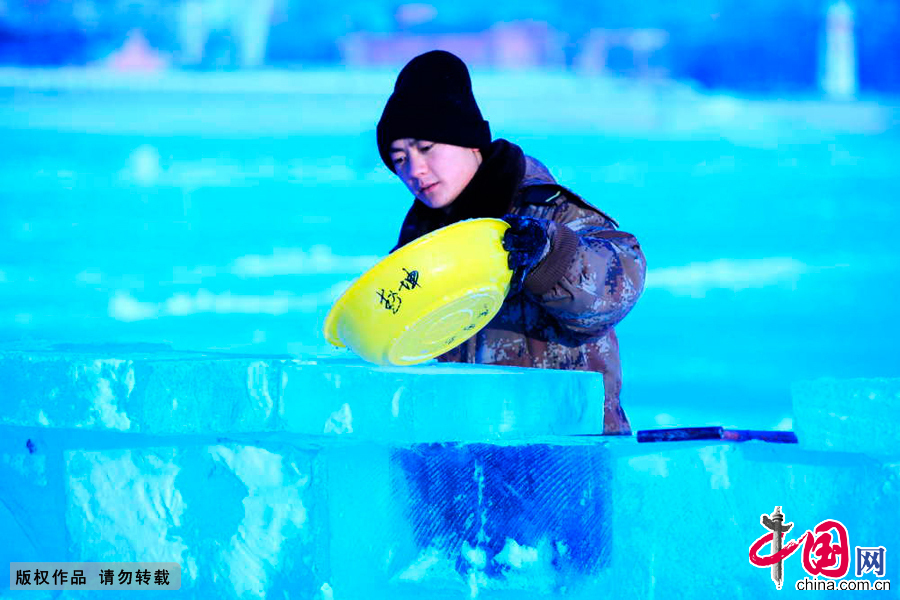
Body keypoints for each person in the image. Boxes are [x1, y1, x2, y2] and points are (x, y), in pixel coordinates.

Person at [377, 50, 645, 435]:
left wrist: (549, 257)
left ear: (468, 140)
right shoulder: (417, 251)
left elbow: (622, 283)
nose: (413, 170)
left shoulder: (547, 214)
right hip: (451, 471)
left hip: (559, 464)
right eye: (399, 159)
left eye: (426, 148)